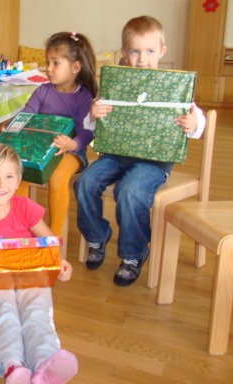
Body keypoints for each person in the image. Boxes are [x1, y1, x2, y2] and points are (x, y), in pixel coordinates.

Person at [75, 15, 206, 287]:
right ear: (124, 52)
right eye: (134, 51)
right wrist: (93, 114)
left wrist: (194, 123)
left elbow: (196, 116)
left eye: (149, 51)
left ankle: (133, 254)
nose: (142, 59)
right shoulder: (116, 82)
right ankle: (97, 237)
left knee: (130, 191)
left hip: (153, 162)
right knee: (84, 182)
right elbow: (92, 125)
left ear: (162, 51)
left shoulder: (172, 85)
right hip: (114, 155)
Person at [0, 142, 77, 384]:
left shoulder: (25, 207)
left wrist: (61, 263)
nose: (2, 184)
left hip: (33, 275)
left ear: (18, 179)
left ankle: (44, 363)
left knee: (37, 312)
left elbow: (50, 243)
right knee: (3, 314)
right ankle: (12, 366)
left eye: (9, 176)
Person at [14, 31, 96, 239]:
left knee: (58, 176)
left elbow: (86, 133)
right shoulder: (43, 90)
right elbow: (27, 114)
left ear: (75, 67)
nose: (48, 68)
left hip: (71, 151)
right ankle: (21, 228)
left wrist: (72, 144)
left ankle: (54, 235)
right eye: (47, 62)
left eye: (55, 63)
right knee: (17, 173)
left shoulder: (83, 97)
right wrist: (13, 126)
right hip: (38, 149)